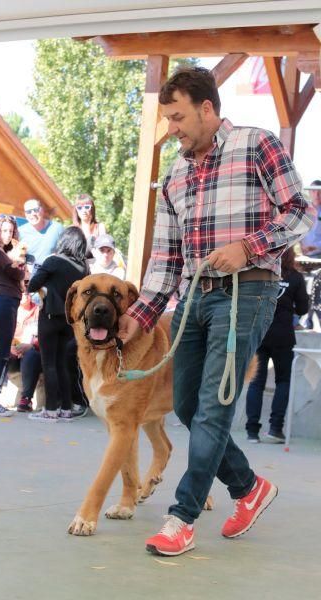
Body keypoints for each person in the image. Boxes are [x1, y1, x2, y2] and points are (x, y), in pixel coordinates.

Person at [118, 67, 314, 556]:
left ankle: (181, 517)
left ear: (208, 108)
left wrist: (248, 248)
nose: (173, 128)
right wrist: (137, 317)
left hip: (248, 290)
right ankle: (248, 488)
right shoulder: (175, 175)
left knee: (212, 407)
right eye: (167, 119)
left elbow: (299, 212)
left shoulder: (257, 144)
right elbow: (165, 260)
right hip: (193, 298)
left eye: (179, 116)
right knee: (185, 405)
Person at [245, 248, 309, 444]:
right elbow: (304, 308)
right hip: (283, 335)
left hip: (259, 332)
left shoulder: (260, 274)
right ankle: (275, 428)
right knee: (283, 381)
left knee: (256, 382)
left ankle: (252, 432)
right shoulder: (296, 278)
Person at [28, 226, 88, 422]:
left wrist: (45, 287)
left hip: (50, 317)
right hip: (69, 322)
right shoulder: (83, 269)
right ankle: (66, 408)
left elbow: (32, 284)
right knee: (62, 363)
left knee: (49, 364)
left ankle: (51, 409)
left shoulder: (53, 261)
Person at [0, 215, 26, 416]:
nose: (8, 234)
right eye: (4, 230)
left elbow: (20, 273)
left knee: (2, 352)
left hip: (8, 302)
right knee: (1, 352)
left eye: (11, 230)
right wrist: (19, 265)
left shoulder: (5, 252)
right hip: (3, 302)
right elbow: (17, 274)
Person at [5, 291, 43, 413]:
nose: (25, 294)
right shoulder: (12, 310)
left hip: (33, 351)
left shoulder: (39, 310)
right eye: (22, 291)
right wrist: (11, 346)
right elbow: (3, 334)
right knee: (3, 353)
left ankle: (26, 399)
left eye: (28, 292)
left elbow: (45, 336)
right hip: (16, 349)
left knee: (31, 355)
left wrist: (31, 345)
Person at [19, 199, 63, 267]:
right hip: (30, 275)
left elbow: (66, 252)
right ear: (25, 214)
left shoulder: (57, 228)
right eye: (29, 212)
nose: (33, 214)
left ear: (42, 210)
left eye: (36, 210)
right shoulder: (20, 232)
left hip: (52, 272)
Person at [300, 180, 321, 257]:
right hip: (304, 256)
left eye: (319, 191)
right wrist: (301, 246)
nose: (317, 194)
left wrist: (316, 247)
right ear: (309, 192)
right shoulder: (303, 210)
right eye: (313, 191)